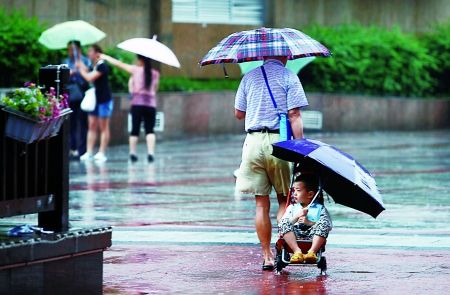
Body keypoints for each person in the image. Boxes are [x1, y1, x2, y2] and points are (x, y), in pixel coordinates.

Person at [234, 56, 308, 270]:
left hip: (253, 143)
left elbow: (238, 114)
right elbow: (294, 114)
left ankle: (266, 256)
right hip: (280, 143)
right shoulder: (289, 76)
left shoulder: (248, 77)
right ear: (284, 55)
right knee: (284, 200)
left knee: (261, 203)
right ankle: (284, 245)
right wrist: (301, 146)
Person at [99, 53, 160, 163]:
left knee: (134, 130)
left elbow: (119, 64)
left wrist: (106, 57)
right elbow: (155, 89)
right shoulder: (155, 73)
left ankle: (132, 153)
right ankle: (150, 153)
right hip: (150, 104)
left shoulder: (135, 70)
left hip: (137, 104)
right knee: (150, 130)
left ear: (141, 60)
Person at [278, 174, 332, 264]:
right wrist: (297, 216)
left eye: (298, 190)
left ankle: (312, 252)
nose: (294, 193)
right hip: (294, 235)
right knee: (283, 222)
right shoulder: (292, 207)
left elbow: (329, 226)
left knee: (324, 221)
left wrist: (310, 222)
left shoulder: (319, 208)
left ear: (310, 194)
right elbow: (282, 225)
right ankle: (297, 251)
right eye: (294, 190)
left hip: (312, 235)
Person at [76, 44, 113, 163]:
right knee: (91, 125)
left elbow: (89, 77)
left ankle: (102, 152)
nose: (89, 53)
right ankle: (89, 152)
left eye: (90, 51)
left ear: (97, 53)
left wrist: (80, 69)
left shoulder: (102, 66)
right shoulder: (94, 65)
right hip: (94, 100)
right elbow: (88, 70)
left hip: (104, 100)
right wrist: (80, 63)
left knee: (103, 126)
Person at [64, 40, 90, 159]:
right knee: (72, 122)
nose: (70, 52)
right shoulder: (66, 62)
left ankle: (82, 149)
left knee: (83, 123)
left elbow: (90, 74)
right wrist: (73, 71)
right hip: (71, 95)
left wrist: (81, 67)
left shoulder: (85, 60)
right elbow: (63, 75)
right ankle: (72, 147)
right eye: (69, 49)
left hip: (83, 95)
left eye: (73, 49)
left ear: (79, 50)